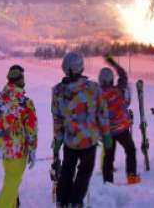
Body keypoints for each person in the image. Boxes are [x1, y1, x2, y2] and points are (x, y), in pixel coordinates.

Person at [52, 52, 110, 208]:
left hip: (70, 140)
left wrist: (58, 139)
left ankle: (62, 201)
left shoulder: (58, 91)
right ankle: (75, 202)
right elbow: (102, 114)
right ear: (81, 67)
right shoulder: (93, 89)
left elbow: (57, 118)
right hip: (88, 141)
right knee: (85, 171)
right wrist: (106, 134)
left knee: (67, 169)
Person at [0, 64, 38, 208]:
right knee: (12, 183)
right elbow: (31, 129)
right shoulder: (25, 102)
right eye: (23, 77)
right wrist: (32, 149)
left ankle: (13, 204)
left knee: (10, 179)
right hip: (17, 151)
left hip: (2, 149)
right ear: (20, 79)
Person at [99, 54, 140, 185]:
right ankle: (131, 176)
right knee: (130, 150)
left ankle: (108, 182)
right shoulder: (119, 90)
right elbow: (123, 75)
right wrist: (113, 63)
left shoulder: (97, 95)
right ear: (112, 79)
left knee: (108, 157)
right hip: (122, 129)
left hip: (107, 132)